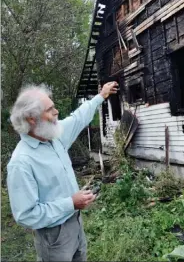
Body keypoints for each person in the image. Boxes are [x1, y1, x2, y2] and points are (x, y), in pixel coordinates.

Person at [7, 82, 118, 262]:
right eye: (50, 109)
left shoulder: (53, 136)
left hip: (76, 223)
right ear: (31, 119)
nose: (57, 112)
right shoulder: (21, 162)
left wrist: (101, 96)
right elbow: (26, 215)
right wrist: (70, 203)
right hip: (54, 236)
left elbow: (79, 117)